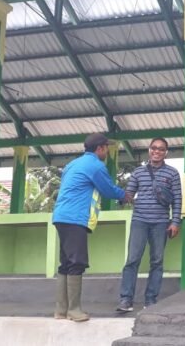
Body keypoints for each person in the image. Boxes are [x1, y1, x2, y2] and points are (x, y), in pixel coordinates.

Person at [52, 133, 128, 322]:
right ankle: (74, 310)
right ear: (100, 148)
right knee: (76, 262)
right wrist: (125, 195)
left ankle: (61, 310)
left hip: (61, 216)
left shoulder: (72, 164)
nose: (107, 151)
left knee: (66, 263)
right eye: (106, 148)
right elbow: (108, 189)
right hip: (75, 218)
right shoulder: (95, 166)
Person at [116, 138, 182, 312]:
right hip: (139, 221)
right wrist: (119, 195)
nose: (157, 151)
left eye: (161, 149)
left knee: (157, 262)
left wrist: (175, 222)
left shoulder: (172, 173)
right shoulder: (138, 172)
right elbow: (129, 193)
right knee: (132, 260)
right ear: (149, 150)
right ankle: (126, 300)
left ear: (166, 152)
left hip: (161, 223)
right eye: (154, 148)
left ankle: (151, 299)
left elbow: (177, 199)